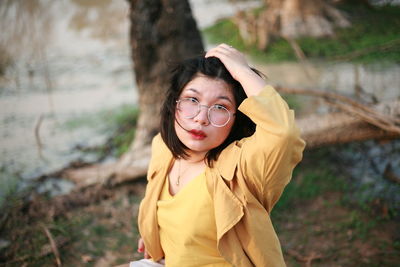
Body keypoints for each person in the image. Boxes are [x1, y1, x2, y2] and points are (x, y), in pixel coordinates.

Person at [121, 44, 305, 267]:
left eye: (220, 107)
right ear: (174, 105)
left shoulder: (243, 168)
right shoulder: (163, 148)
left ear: (236, 118)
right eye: (192, 100)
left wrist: (242, 71)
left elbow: (283, 133)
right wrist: (157, 232)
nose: (201, 118)